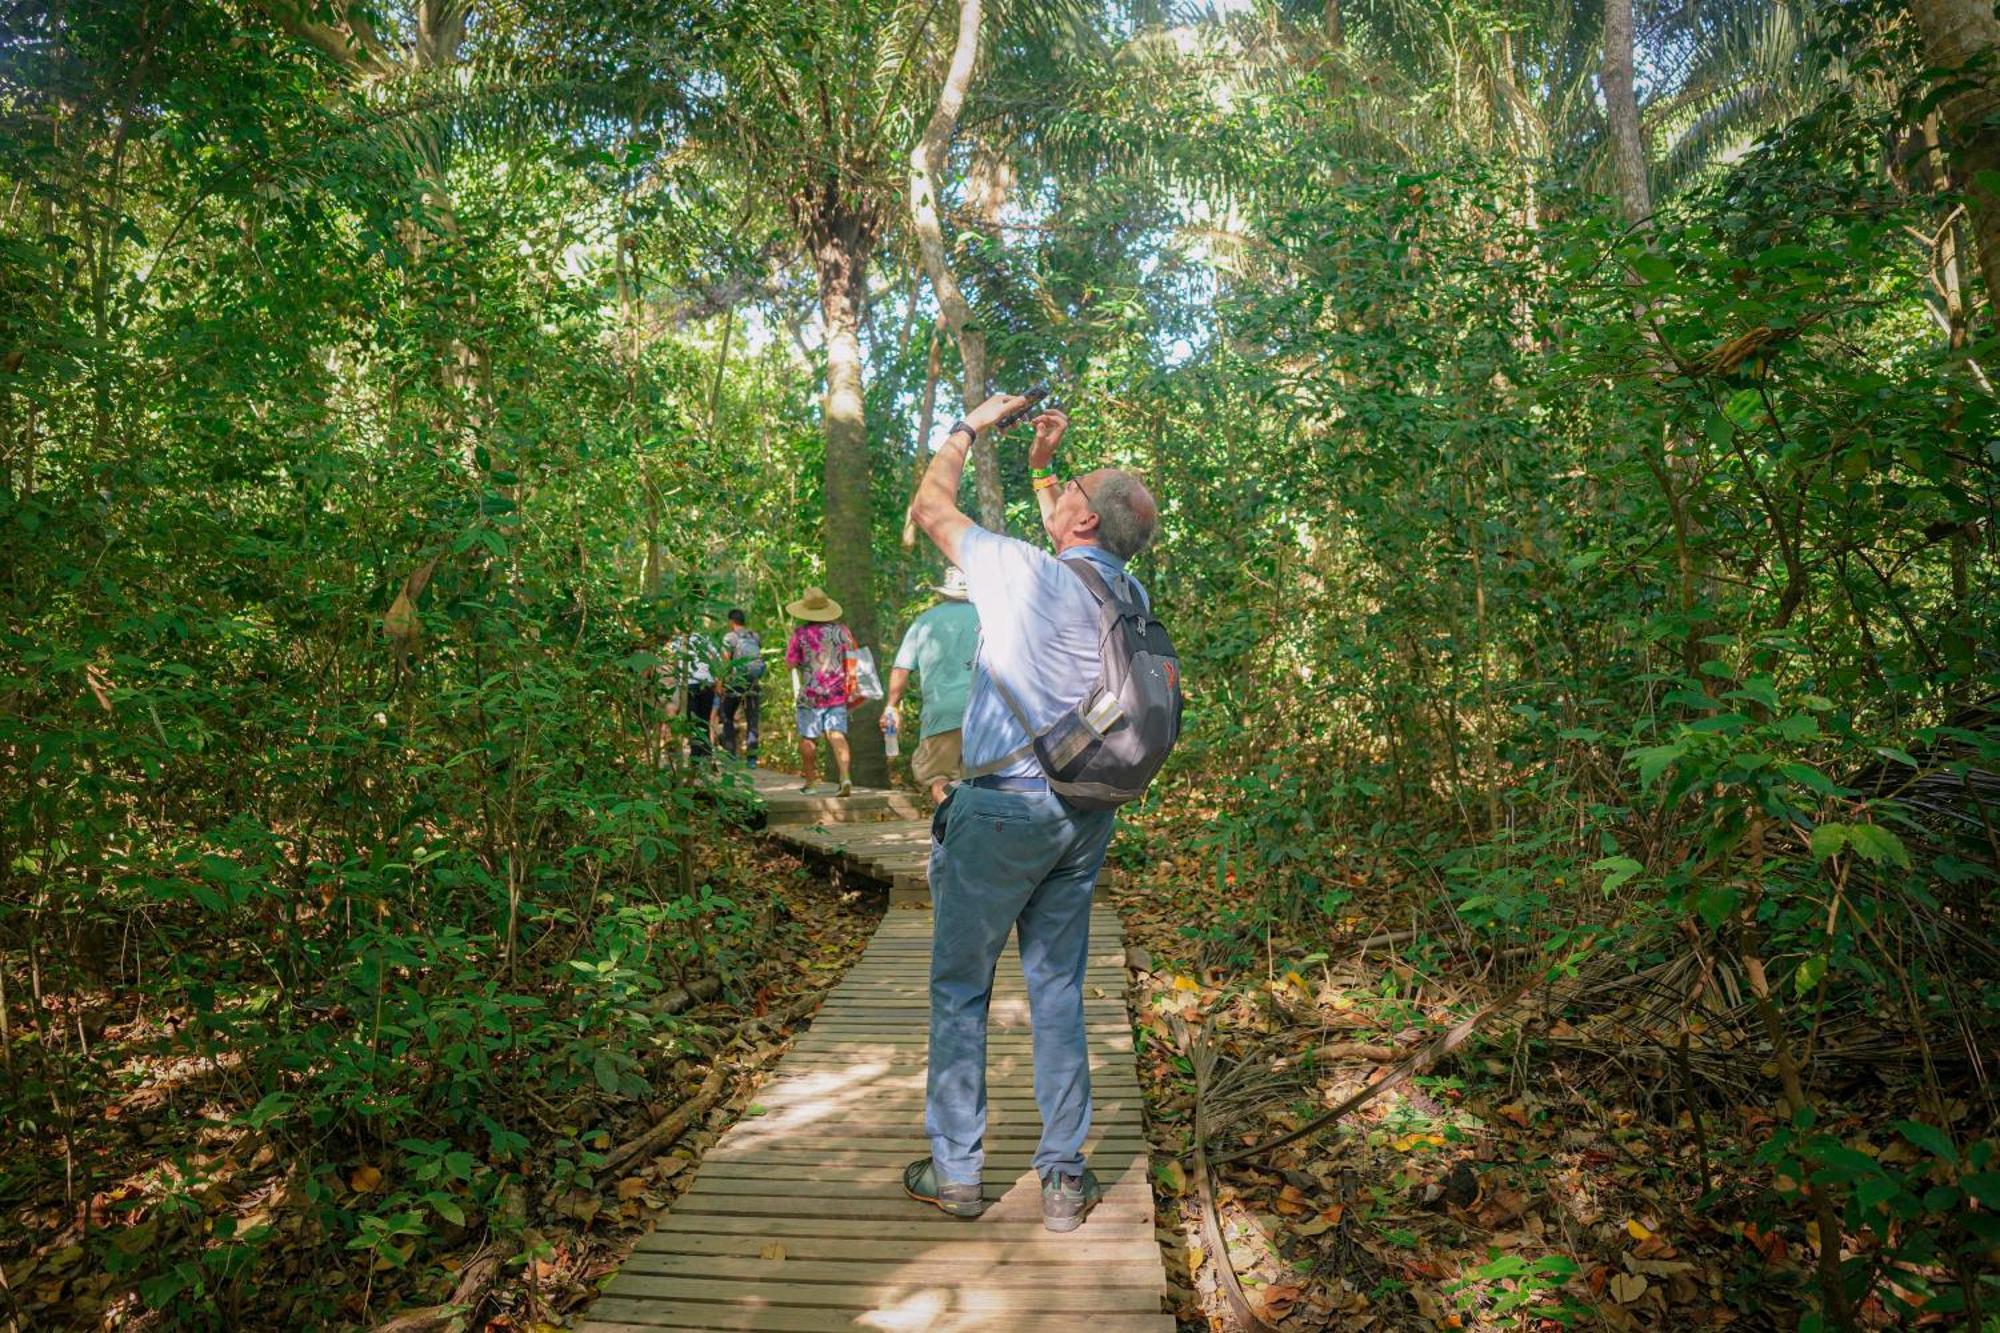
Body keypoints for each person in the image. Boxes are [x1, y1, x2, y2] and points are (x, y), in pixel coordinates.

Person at [901, 393, 1160, 1233]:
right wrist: (1046, 465)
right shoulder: (1129, 591)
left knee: (959, 989)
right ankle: (1061, 1178)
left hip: (1002, 810)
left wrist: (970, 426)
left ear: (1083, 516)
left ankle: (958, 1172)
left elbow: (930, 506)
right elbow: (1079, 534)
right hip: (1085, 812)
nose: (1062, 494)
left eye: (1071, 487)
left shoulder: (1023, 573)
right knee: (1055, 989)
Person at [882, 567, 979, 805]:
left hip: (942, 712)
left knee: (939, 777)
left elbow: (901, 669)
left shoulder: (923, 622)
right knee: (981, 780)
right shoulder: (989, 617)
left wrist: (892, 706)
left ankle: (949, 833)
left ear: (943, 593)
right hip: (985, 711)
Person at [783, 586, 856, 798]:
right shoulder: (841, 631)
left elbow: (790, 663)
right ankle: (845, 777)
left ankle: (811, 783)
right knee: (837, 734)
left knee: (808, 738)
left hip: (810, 695)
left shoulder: (800, 634)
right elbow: (852, 656)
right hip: (837, 692)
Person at [715, 608, 763, 767]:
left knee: (726, 715)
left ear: (731, 622)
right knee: (752, 719)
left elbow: (726, 662)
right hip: (753, 683)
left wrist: (720, 684)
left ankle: (731, 755)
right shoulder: (754, 636)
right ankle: (752, 759)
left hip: (737, 682)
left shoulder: (729, 637)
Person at [663, 628, 719, 760]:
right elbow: (715, 658)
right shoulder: (704, 639)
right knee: (704, 720)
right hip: (707, 683)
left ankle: (696, 755)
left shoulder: (677, 642)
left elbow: (669, 662)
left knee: (693, 720)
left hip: (689, 684)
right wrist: (716, 679)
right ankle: (706, 754)